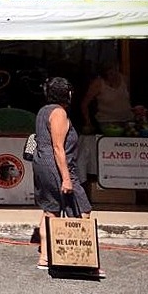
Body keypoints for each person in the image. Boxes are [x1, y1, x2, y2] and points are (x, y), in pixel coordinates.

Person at [34, 77, 98, 273]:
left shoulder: (43, 111)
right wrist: (67, 179)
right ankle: (81, 258)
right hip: (58, 168)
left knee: (50, 210)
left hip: (43, 165)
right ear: (68, 94)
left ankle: (45, 257)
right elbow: (58, 148)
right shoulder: (59, 113)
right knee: (83, 209)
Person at [81, 62, 132, 133]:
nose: (112, 76)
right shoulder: (98, 84)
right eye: (109, 74)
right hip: (107, 123)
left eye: (113, 72)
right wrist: (88, 122)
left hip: (127, 120)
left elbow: (127, 99)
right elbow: (84, 104)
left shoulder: (125, 80)